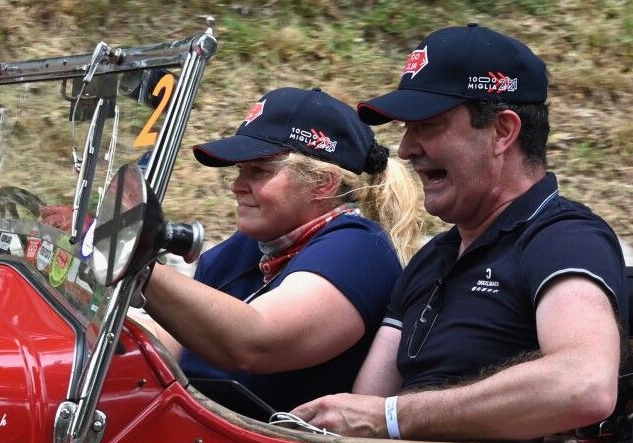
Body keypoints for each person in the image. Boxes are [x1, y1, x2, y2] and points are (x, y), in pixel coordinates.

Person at [292, 24, 629, 441]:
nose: (406, 149)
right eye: (406, 129)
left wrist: (393, 417)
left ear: (503, 132)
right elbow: (360, 419)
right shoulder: (433, 258)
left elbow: (585, 384)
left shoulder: (563, 238)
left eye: (428, 125)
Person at [138, 86, 427, 411]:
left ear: (323, 183)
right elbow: (166, 346)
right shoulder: (250, 246)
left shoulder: (360, 249)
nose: (236, 186)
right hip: (195, 428)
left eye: (258, 170)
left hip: (269, 441)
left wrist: (138, 265)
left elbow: (255, 342)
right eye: (240, 170)